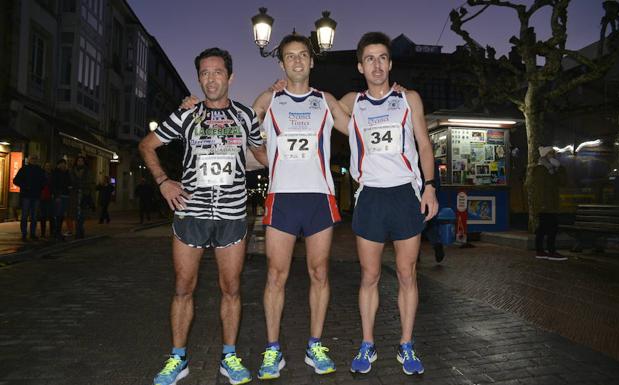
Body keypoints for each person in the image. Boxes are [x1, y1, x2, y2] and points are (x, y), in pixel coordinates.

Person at [140, 47, 267, 385]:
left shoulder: (245, 116)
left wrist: (297, 145)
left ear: (230, 77)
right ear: (199, 78)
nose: (211, 79)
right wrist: (164, 181)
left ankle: (229, 356)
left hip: (231, 216)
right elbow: (146, 145)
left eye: (218, 72)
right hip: (191, 214)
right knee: (183, 287)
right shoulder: (187, 115)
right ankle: (177, 359)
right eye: (205, 73)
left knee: (231, 288)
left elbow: (262, 155)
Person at [251, 34, 350, 379]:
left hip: (320, 197)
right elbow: (242, 129)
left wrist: (377, 98)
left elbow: (357, 129)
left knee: (319, 273)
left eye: (302, 55)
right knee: (276, 276)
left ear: (311, 61)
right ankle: (272, 349)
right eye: (289, 56)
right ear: (281, 63)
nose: (296, 61)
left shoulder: (325, 100)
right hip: (282, 197)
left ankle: (315, 345)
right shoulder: (272, 99)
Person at [339, 32, 438, 375]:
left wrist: (429, 186)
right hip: (371, 196)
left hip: (404, 194)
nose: (377, 64)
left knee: (407, 274)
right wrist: (275, 91)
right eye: (370, 58)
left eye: (382, 57)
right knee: (369, 275)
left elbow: (424, 144)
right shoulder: (352, 102)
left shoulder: (409, 99)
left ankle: (406, 344)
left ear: (390, 63)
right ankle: (367, 344)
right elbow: (311, 104)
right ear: (360, 66)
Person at [533, 146, 567, 261]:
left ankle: (542, 251)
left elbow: (562, 182)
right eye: (550, 153)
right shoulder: (540, 169)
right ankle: (549, 251)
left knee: (545, 228)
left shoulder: (552, 169)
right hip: (545, 204)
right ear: (545, 155)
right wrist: (542, 204)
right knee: (550, 227)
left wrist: (559, 168)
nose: (553, 155)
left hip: (550, 203)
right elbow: (541, 189)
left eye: (553, 153)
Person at [13, 154, 46, 241]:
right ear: (29, 159)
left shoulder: (39, 170)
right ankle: (24, 233)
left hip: (35, 195)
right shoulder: (24, 169)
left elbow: (44, 181)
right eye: (32, 159)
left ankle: (32, 233)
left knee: (34, 216)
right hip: (27, 195)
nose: (34, 160)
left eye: (35, 159)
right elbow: (16, 180)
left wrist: (40, 188)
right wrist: (25, 186)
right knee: (25, 215)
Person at [70, 155, 93, 239]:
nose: (80, 162)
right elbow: (71, 180)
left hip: (84, 194)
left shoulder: (87, 171)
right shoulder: (72, 171)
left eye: (81, 161)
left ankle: (80, 230)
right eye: (78, 161)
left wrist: (83, 187)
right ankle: (78, 231)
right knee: (76, 213)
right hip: (75, 194)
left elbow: (89, 181)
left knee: (82, 213)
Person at [51, 159, 72, 240]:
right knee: (58, 214)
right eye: (62, 164)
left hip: (65, 195)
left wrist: (69, 188)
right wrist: (56, 196)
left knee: (62, 214)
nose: (64, 166)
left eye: (64, 164)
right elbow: (53, 185)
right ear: (59, 165)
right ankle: (56, 232)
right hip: (59, 196)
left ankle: (58, 232)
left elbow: (69, 183)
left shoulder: (67, 173)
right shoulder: (55, 173)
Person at [39, 162, 53, 238]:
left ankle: (51, 232)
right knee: (43, 215)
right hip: (43, 196)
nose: (48, 167)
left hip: (51, 196)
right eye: (46, 166)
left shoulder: (53, 175)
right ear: (44, 167)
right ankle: (43, 233)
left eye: (49, 166)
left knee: (51, 215)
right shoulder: (41, 175)